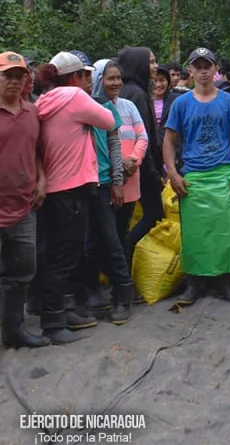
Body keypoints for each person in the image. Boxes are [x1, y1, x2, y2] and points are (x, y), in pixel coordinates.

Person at [36, 52, 115, 342]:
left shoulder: (44, 100)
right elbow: (107, 120)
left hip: (54, 190)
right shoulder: (74, 97)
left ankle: (62, 311)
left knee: (59, 254)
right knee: (63, 258)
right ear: (75, 77)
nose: (89, 80)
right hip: (72, 188)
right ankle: (53, 324)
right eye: (85, 75)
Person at [163, 48, 230, 306]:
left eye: (207, 65)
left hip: (224, 175)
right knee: (195, 236)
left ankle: (224, 282)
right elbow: (168, 141)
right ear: (190, 71)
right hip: (193, 179)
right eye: (197, 66)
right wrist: (173, 174)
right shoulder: (181, 104)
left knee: (226, 232)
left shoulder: (229, 102)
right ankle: (194, 283)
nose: (202, 70)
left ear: (215, 70)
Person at [79, 58, 138, 324]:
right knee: (89, 243)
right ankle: (90, 292)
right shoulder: (79, 107)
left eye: (117, 78)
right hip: (81, 184)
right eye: (107, 77)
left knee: (112, 241)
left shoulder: (108, 110)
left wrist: (116, 182)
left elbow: (115, 148)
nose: (112, 82)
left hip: (103, 183)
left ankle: (122, 297)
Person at [0, 51, 49, 349]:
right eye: (8, 76)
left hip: (23, 207)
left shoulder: (32, 113)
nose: (15, 82)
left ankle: (14, 332)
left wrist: (41, 180)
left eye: (19, 77)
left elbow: (37, 153)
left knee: (20, 275)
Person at [92, 60, 149, 257]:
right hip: (105, 180)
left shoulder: (128, 107)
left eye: (119, 78)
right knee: (102, 234)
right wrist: (117, 164)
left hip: (130, 177)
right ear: (99, 80)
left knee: (122, 229)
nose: (116, 83)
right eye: (111, 78)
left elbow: (142, 137)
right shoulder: (92, 108)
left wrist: (133, 161)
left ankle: (118, 275)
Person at [118, 47, 164, 270]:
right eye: (151, 62)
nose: (155, 67)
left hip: (128, 167)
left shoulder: (127, 91)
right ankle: (125, 257)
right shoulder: (136, 94)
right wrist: (154, 174)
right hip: (140, 168)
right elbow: (144, 136)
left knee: (124, 220)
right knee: (154, 214)